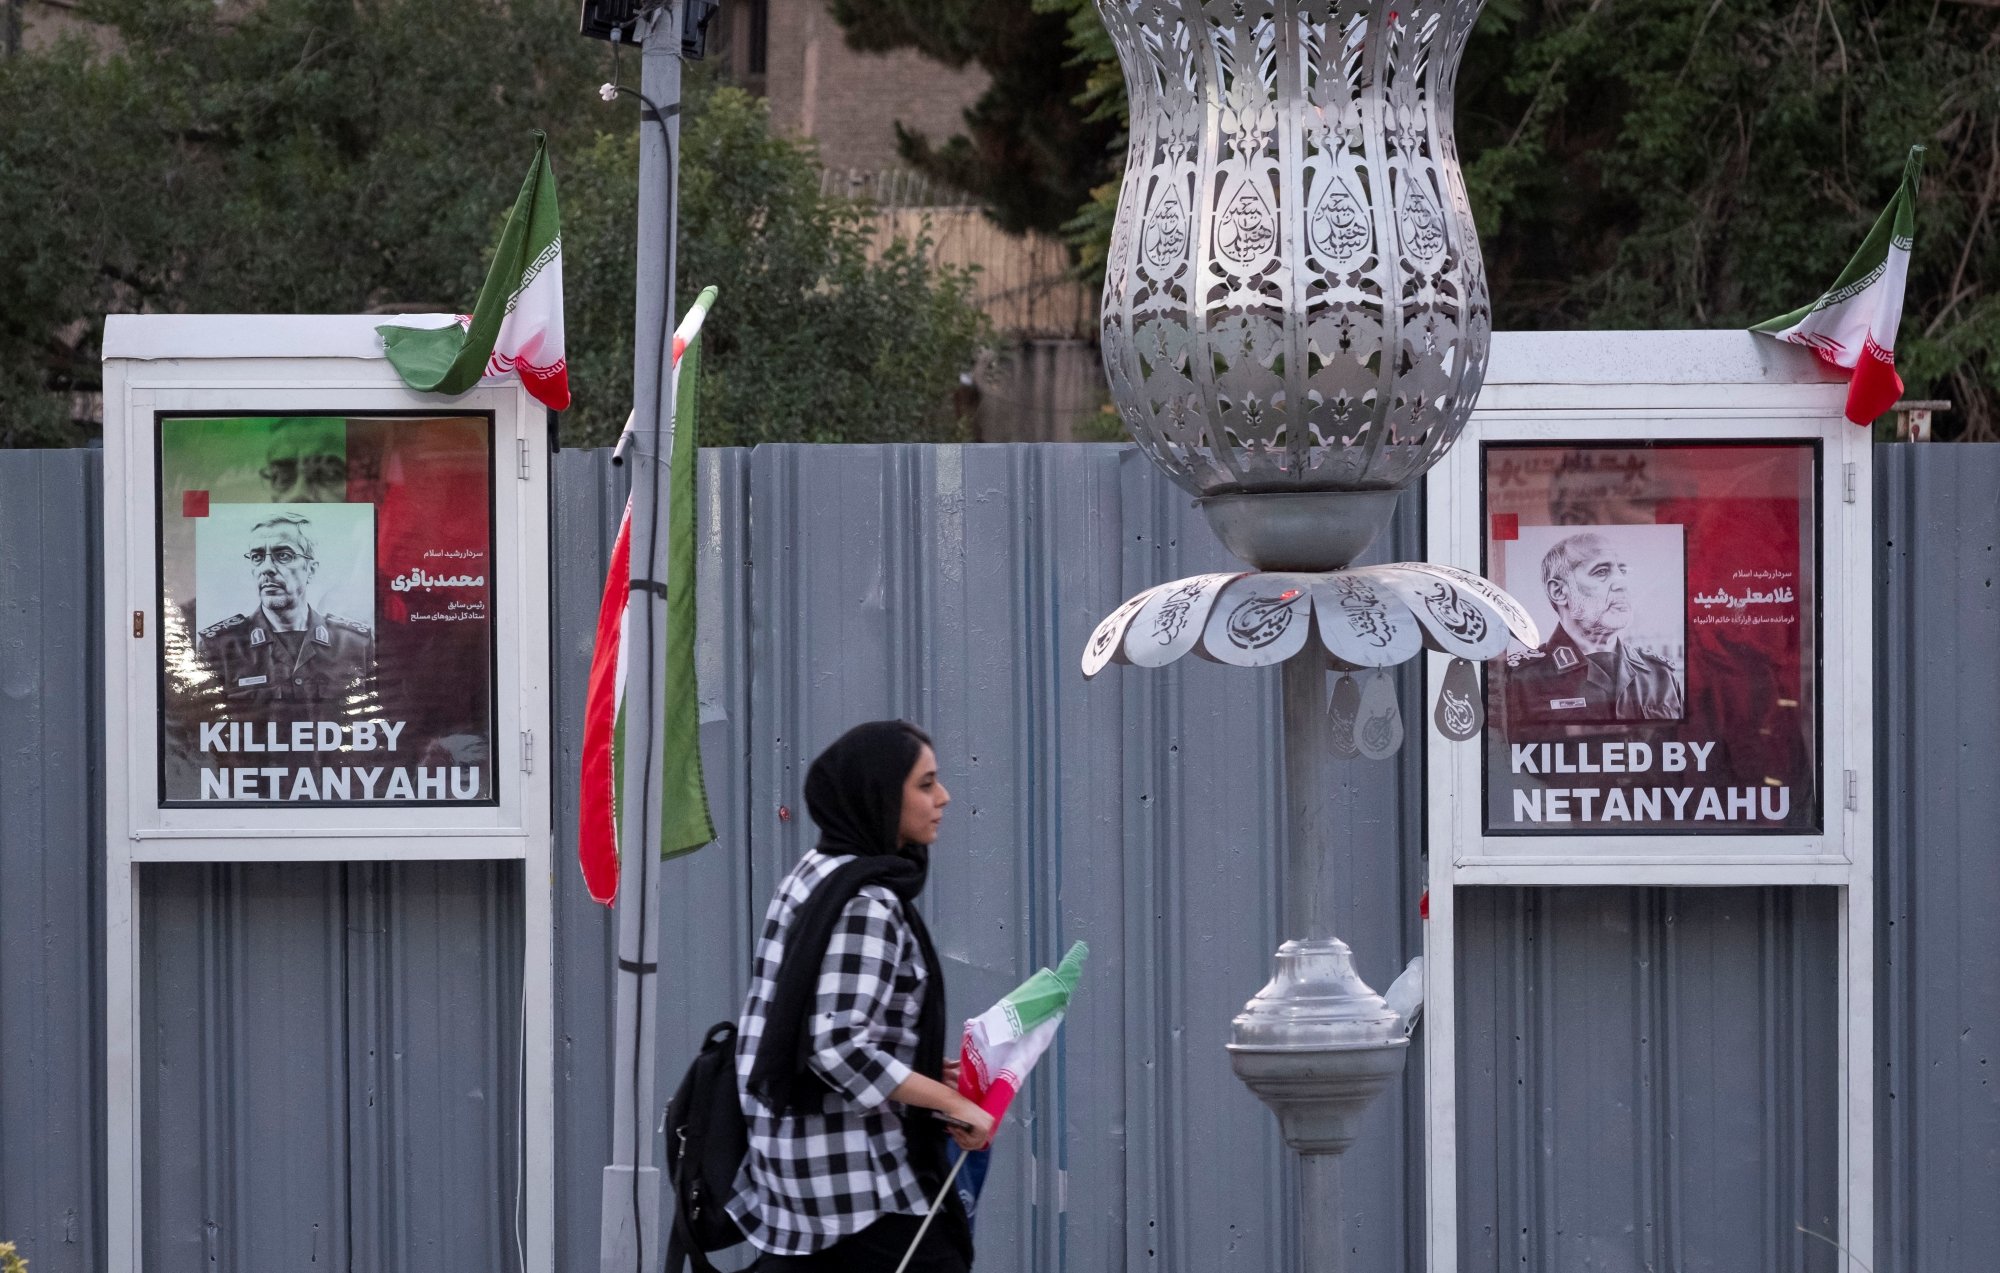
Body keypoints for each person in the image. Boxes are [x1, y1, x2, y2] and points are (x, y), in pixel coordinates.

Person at [729, 720, 992, 1272]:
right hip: (852, 1186)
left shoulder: (814, 874)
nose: (944, 797)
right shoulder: (866, 902)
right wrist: (955, 1105)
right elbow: (836, 1046)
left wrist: (921, 1073)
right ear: (880, 796)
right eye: (925, 784)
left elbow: (813, 1022)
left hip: (794, 1170)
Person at [196, 512, 374, 715]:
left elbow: (375, 719)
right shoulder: (219, 648)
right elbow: (203, 726)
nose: (267, 568)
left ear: (311, 569)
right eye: (257, 557)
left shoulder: (355, 644)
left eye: (283, 556)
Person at [1504, 531, 1682, 727]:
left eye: (1623, 571)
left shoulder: (1660, 675)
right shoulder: (1520, 679)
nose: (1622, 583)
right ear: (1559, 591)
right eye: (1601, 572)